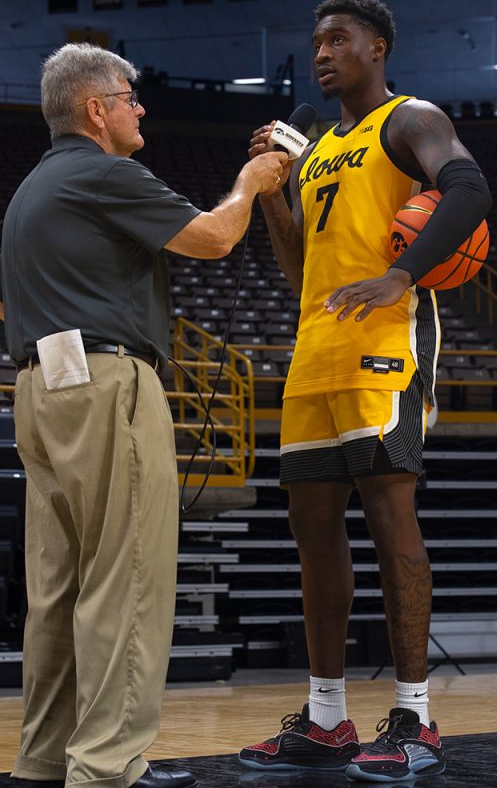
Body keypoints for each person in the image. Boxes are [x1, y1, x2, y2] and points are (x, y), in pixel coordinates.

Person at [0, 44, 288, 788]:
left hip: (38, 390)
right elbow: (215, 238)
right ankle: (106, 766)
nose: (140, 107)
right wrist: (252, 183)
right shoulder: (102, 171)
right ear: (95, 109)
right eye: (129, 96)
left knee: (59, 590)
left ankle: (44, 762)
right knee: (127, 579)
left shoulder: (31, 188)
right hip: (105, 384)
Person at [237, 0, 490, 782]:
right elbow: (297, 269)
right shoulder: (314, 154)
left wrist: (400, 276)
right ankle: (325, 720)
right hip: (315, 349)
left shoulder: (410, 119)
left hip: (386, 345)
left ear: (377, 48)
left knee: (390, 519)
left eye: (339, 38)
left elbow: (471, 191)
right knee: (313, 533)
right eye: (316, 40)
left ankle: (415, 717)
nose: (322, 51)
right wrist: (272, 192)